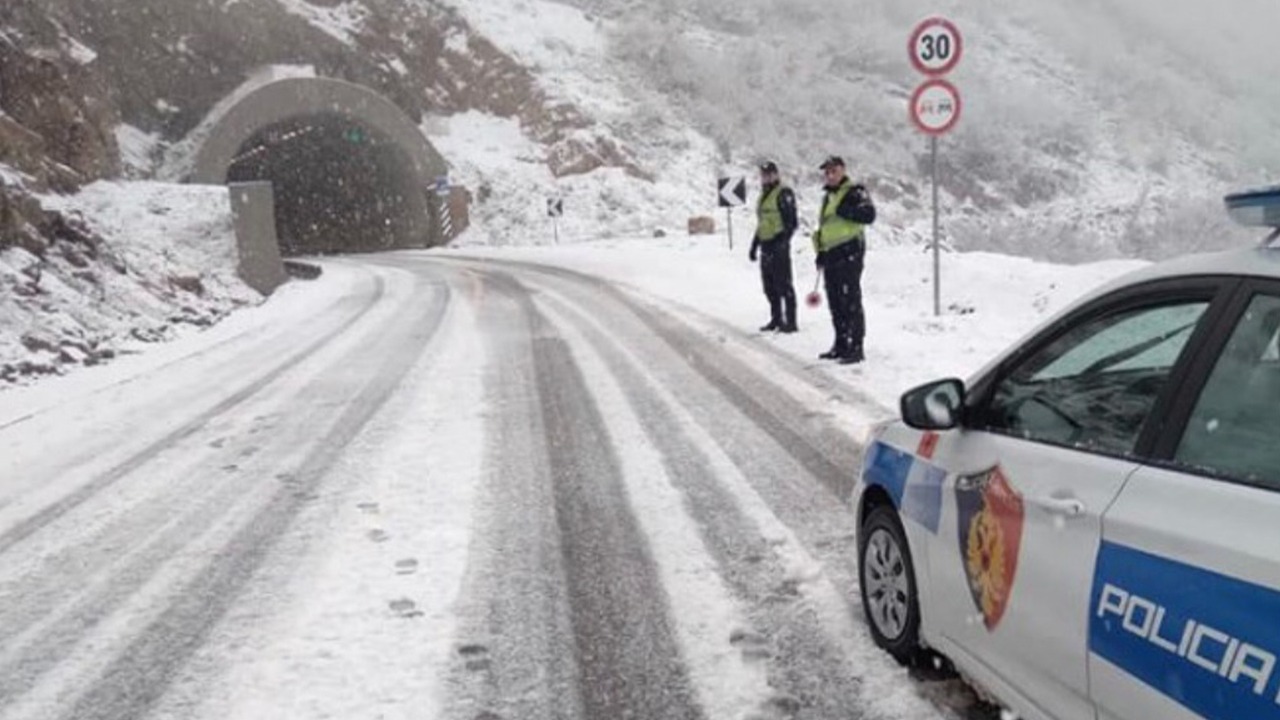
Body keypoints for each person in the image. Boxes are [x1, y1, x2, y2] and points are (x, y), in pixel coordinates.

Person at [812, 155, 876, 364]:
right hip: (831, 253)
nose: (830, 175)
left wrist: (846, 210)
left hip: (849, 252)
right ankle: (840, 344)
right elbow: (825, 227)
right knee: (835, 301)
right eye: (827, 172)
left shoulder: (854, 191)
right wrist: (820, 251)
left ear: (842, 170)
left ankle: (856, 347)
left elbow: (869, 215)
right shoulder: (827, 197)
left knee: (850, 300)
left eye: (833, 171)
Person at [749, 161, 799, 333]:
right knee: (769, 287)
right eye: (763, 175)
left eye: (769, 174)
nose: (766, 177)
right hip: (766, 246)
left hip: (779, 246)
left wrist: (783, 241)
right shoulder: (763, 197)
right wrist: (754, 245)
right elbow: (762, 224)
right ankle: (776, 318)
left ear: (776, 174)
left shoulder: (783, 193)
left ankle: (791, 321)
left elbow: (792, 222)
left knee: (784, 285)